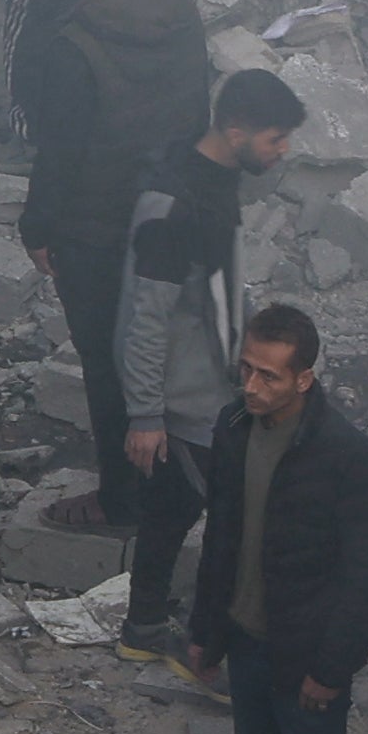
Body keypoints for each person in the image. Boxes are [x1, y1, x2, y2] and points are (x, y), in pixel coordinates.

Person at [15, 0, 208, 540]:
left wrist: (37, 229)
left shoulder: (75, 44)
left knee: (107, 364)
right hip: (171, 214)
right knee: (170, 348)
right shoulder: (181, 17)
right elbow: (197, 115)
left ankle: (122, 501)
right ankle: (181, 482)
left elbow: (60, 151)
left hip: (94, 231)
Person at [186, 301, 368, 734]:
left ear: (304, 378)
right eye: (246, 370)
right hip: (245, 642)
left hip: (305, 659)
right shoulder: (233, 429)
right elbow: (221, 538)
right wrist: (205, 630)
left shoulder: (346, 457)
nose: (251, 386)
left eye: (268, 375)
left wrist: (331, 669)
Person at [118, 71, 309, 658]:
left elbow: (221, 286)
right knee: (228, 523)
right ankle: (202, 649)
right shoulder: (173, 207)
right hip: (190, 397)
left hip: (211, 380)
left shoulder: (214, 182)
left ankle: (144, 630)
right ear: (235, 131)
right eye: (275, 139)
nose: (282, 152)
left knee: (171, 511)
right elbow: (145, 315)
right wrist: (146, 413)